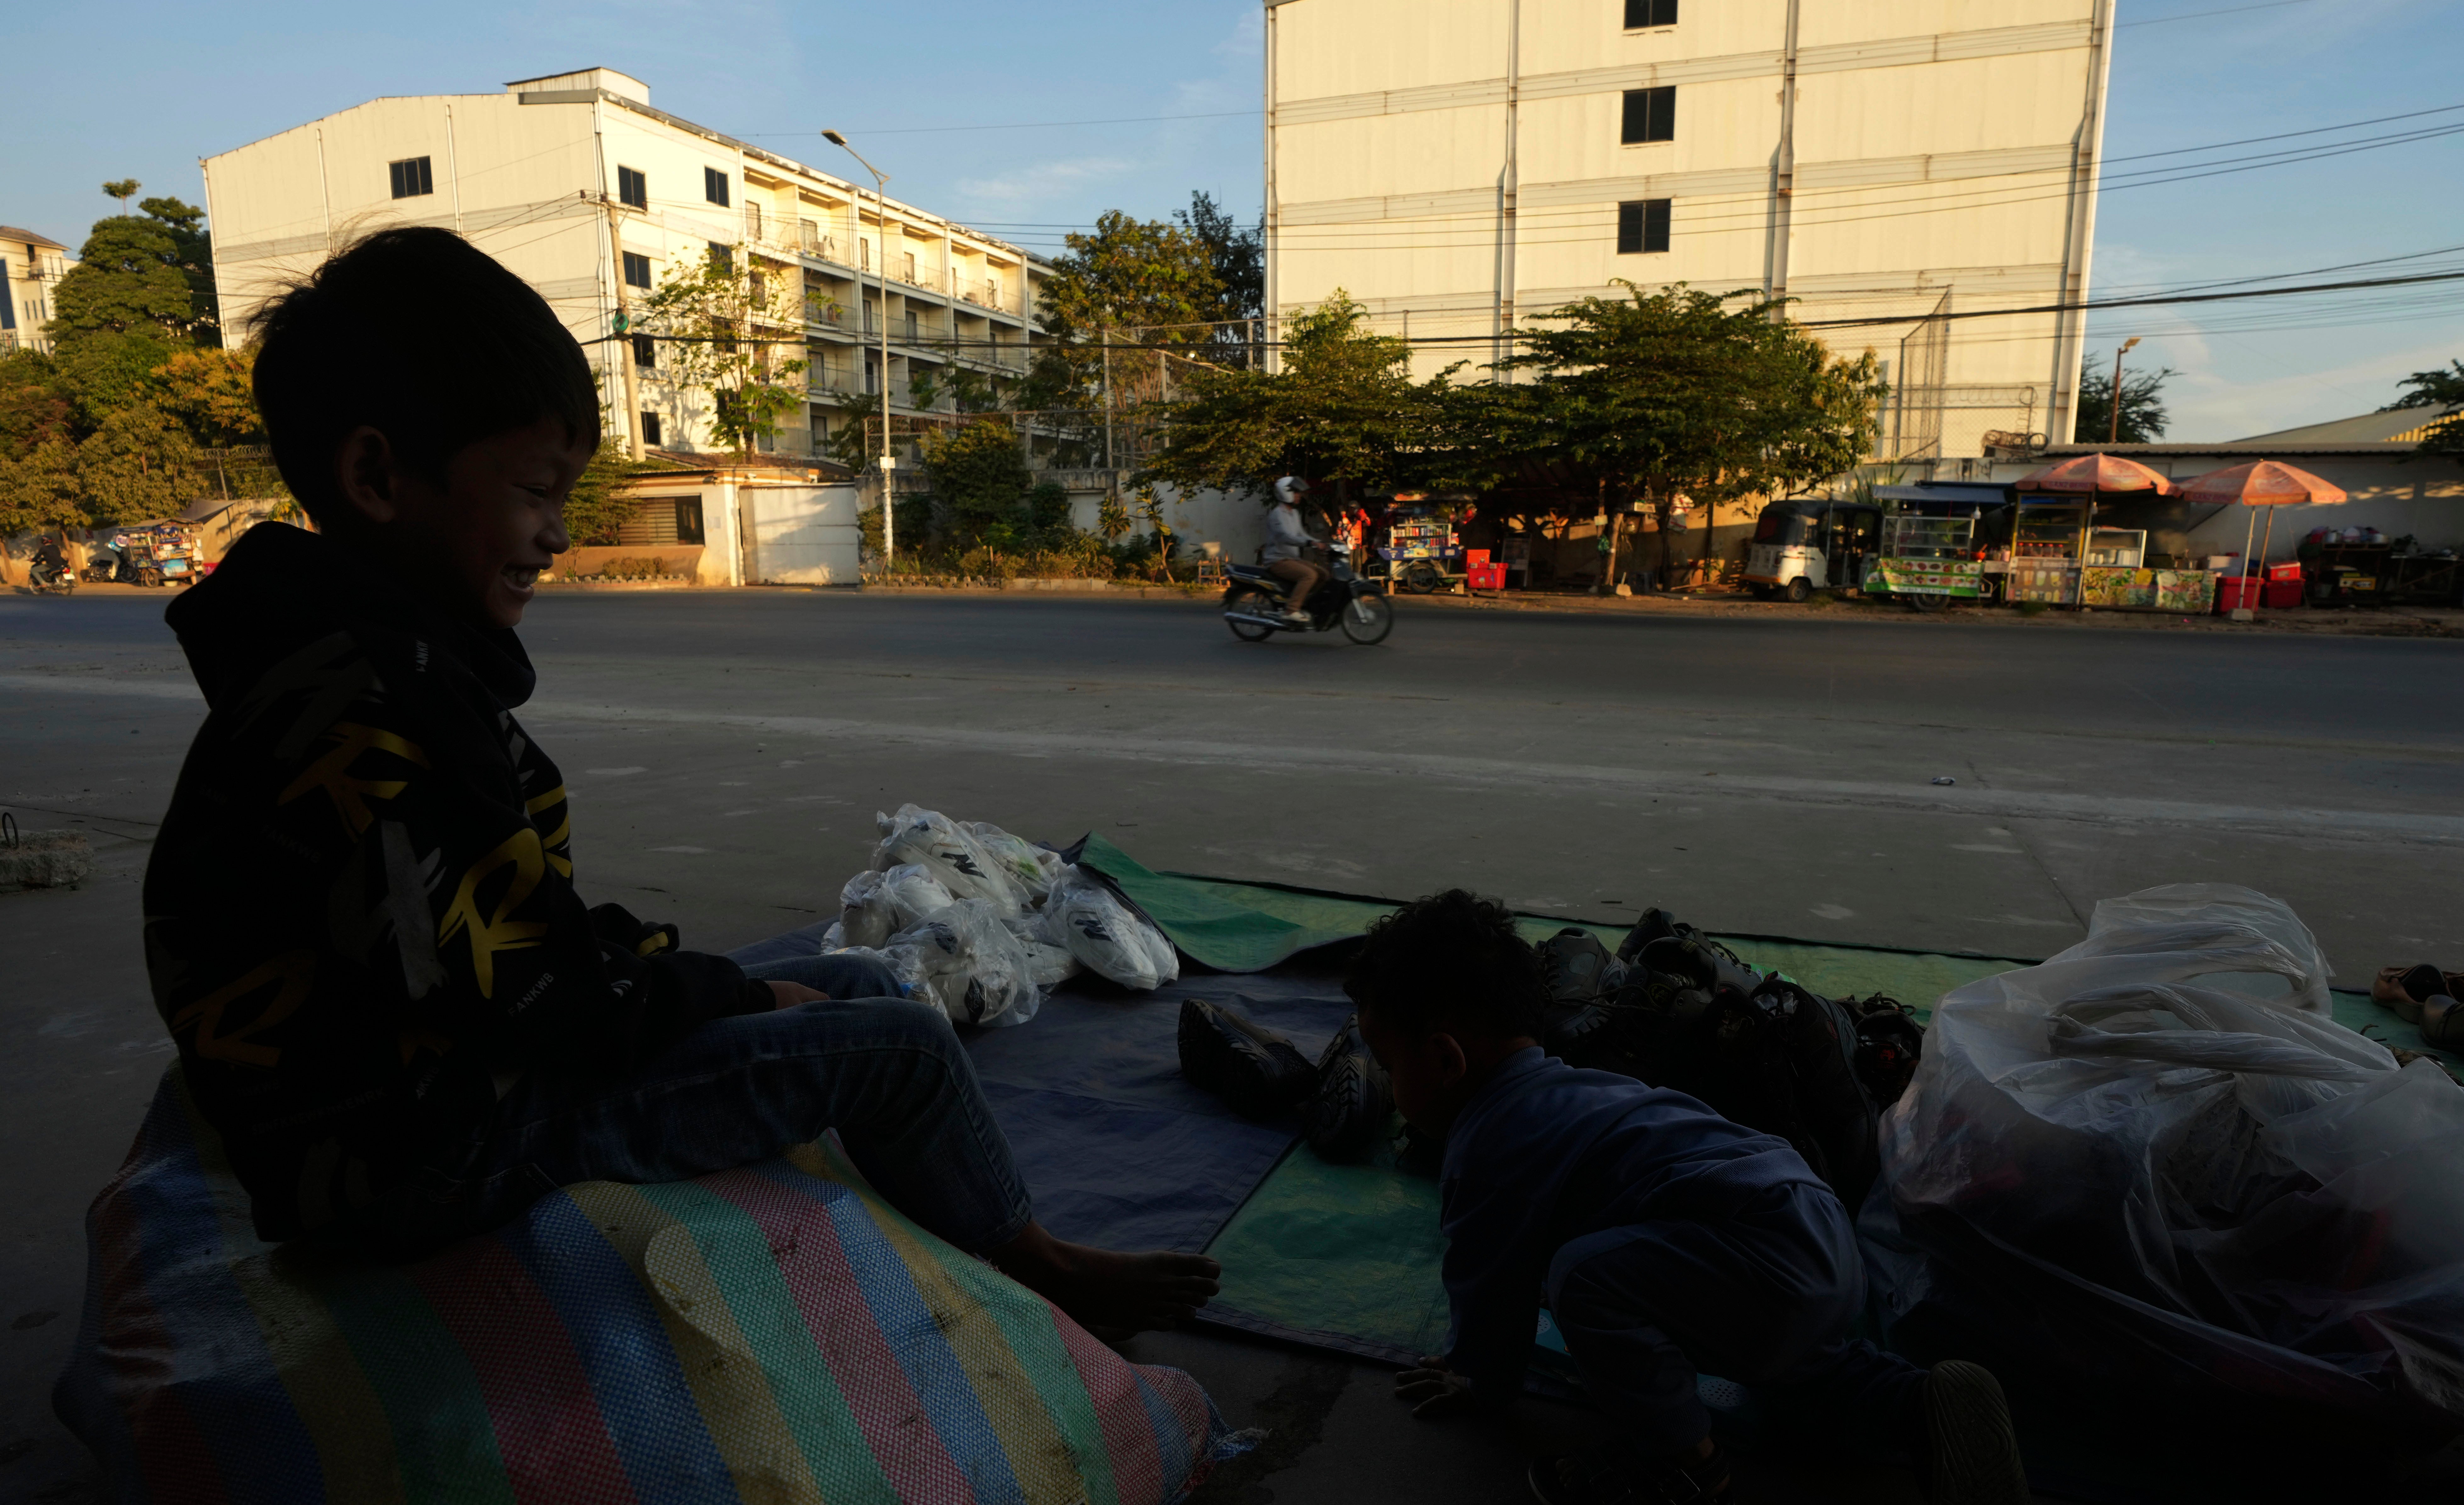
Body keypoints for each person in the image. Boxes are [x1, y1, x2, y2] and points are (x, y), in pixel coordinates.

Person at [142, 226, 1217, 1337]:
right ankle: (1039, 1267)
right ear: (377, 478)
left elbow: (515, 934)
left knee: (856, 981)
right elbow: (522, 999)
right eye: (535, 492)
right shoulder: (361, 714)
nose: (557, 535)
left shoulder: (380, 667)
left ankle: (955, 1224)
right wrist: (723, 999)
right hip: (423, 1150)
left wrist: (699, 987)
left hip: (462, 1074)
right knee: (898, 1045)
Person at [1350, 890, 2028, 1505]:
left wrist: (1477, 1380)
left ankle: (1682, 1464)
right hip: (1811, 1223)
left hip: (1755, 1248)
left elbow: (1488, 1295)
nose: (1386, 1079)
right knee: (1799, 1366)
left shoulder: (1486, 1147)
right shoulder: (1578, 1087)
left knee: (1582, 1280)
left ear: (1445, 1060)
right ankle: (1920, 1403)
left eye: (1386, 1061)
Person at [1261, 474, 1323, 626]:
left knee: (1323, 574)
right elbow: (1286, 537)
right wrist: (1309, 543)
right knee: (1309, 575)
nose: (1299, 496)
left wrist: (1319, 543)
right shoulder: (1277, 514)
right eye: (1296, 492)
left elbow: (1302, 534)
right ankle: (1291, 610)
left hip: (1293, 560)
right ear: (1286, 493)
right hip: (1278, 561)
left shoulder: (1295, 514)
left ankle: (1305, 604)